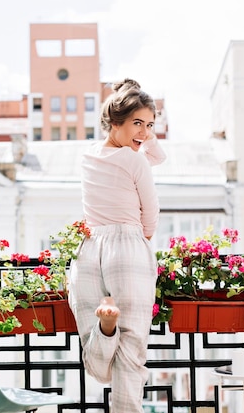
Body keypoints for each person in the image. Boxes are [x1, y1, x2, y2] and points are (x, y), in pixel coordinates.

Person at [67, 78, 166, 413]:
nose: (144, 133)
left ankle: (106, 331)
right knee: (133, 346)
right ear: (115, 121)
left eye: (150, 125)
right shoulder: (135, 160)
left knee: (96, 360)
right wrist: (140, 240)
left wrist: (139, 128)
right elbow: (151, 215)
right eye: (137, 123)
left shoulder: (88, 156)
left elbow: (148, 151)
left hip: (90, 248)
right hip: (127, 244)